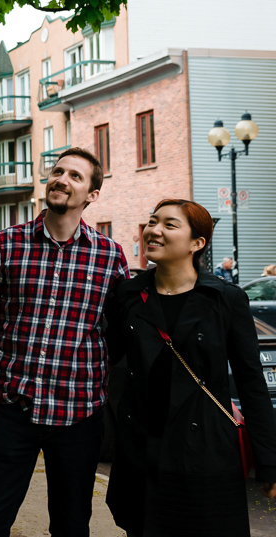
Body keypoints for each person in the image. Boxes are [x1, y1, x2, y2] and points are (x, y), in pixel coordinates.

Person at [0, 148, 129, 537]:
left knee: (72, 527)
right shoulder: (8, 243)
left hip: (78, 415)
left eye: (75, 176)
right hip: (10, 409)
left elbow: (125, 332)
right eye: (58, 171)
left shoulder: (109, 256)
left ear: (91, 195)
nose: (62, 180)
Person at [105, 199, 276, 536]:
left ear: (196, 243)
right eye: (152, 221)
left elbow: (251, 382)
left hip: (205, 453)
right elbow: (106, 362)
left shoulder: (224, 298)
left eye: (169, 224)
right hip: (141, 450)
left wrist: (269, 461)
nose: (154, 230)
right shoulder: (129, 294)